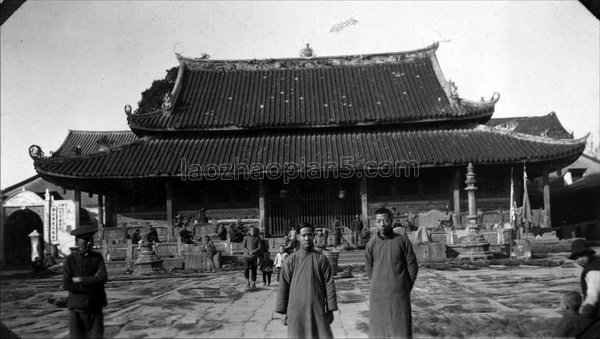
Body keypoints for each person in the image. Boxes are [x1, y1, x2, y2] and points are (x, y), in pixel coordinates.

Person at [275, 223, 338, 338]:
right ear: (298, 237)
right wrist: (283, 311)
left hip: (317, 308)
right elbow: (283, 286)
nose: (307, 238)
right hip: (296, 310)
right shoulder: (290, 260)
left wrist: (330, 309)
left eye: (309, 235)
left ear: (313, 236)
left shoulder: (321, 259)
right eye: (303, 235)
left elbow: (329, 284)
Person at [365, 207, 418, 338]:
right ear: (374, 222)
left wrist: (405, 286)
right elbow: (369, 266)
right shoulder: (372, 243)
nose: (382, 224)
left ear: (392, 221)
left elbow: (412, 266)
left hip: (399, 293)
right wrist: (376, 283)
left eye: (386, 220)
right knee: (379, 329)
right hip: (378, 294)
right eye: (379, 221)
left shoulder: (402, 241)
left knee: (401, 328)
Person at [63, 224, 108, 339]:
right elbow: (67, 284)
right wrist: (93, 282)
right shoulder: (70, 260)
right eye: (86, 240)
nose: (89, 243)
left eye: (90, 239)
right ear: (77, 241)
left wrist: (80, 279)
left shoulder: (97, 258)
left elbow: (103, 278)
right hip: (77, 308)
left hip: (95, 308)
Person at [569, 239, 600, 318]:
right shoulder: (596, 263)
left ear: (589, 253)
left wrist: (585, 311)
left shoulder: (592, 271)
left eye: (583, 255)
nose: (580, 259)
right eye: (577, 257)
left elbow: (593, 295)